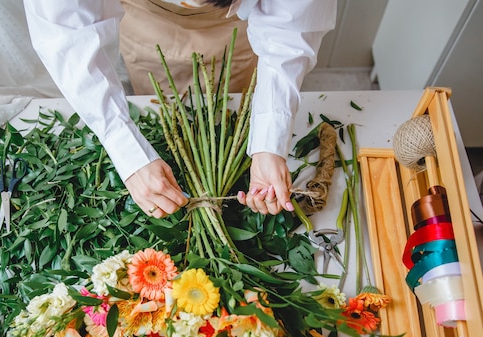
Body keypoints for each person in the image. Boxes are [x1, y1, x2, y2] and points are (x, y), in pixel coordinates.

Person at [23, 0, 336, 218]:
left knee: (231, 102)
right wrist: (128, 152)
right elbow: (65, 36)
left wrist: (269, 143)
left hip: (235, 26)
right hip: (148, 20)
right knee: (158, 101)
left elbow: (289, 36)